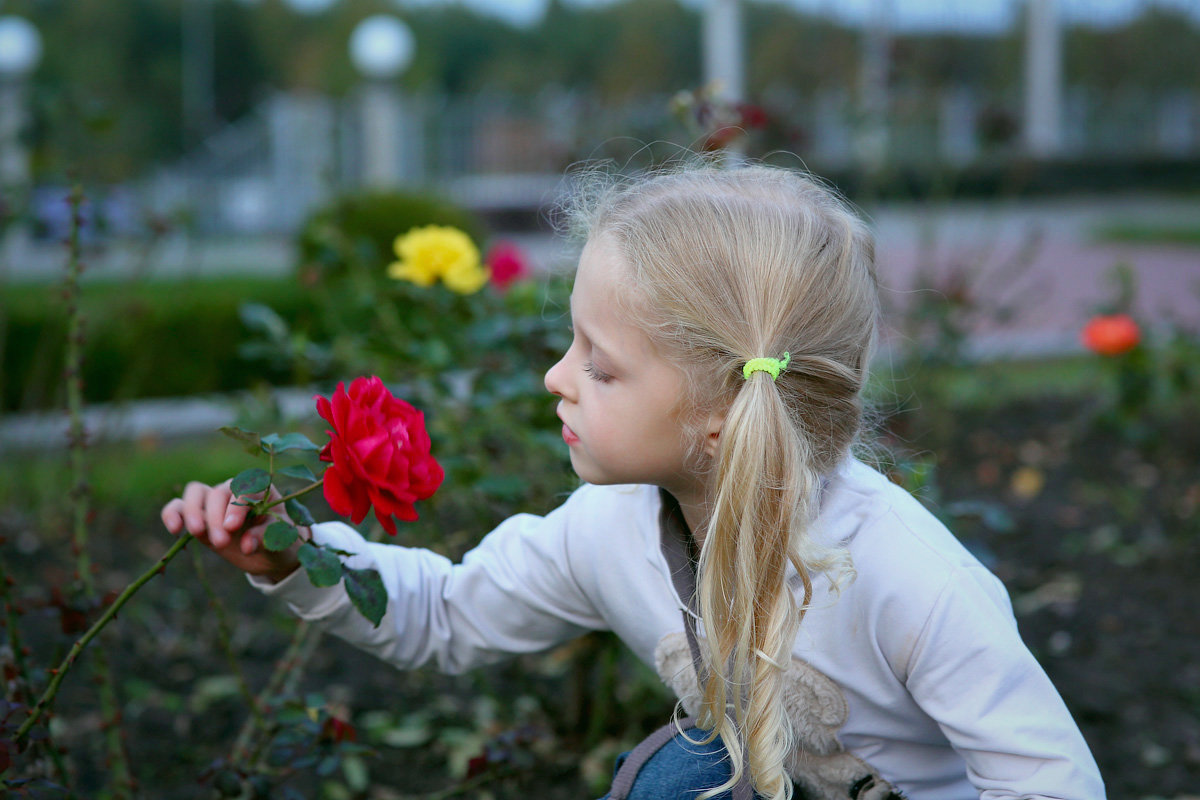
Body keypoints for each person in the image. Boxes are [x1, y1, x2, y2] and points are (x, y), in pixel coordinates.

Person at [161, 164, 1105, 800]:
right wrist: (291, 558)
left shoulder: (908, 579)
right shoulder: (604, 528)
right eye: (571, 343)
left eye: (600, 366)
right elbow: (447, 613)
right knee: (677, 774)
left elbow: (1052, 782)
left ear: (719, 411)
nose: (555, 377)